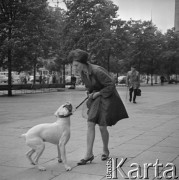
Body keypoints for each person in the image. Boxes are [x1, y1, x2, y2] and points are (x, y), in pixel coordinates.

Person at [68, 49, 128, 165]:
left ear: (83, 63)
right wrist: (89, 92)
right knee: (90, 123)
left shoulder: (97, 71)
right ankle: (89, 154)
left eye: (76, 65)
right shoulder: (82, 72)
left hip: (107, 98)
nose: (74, 68)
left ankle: (105, 149)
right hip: (96, 98)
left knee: (102, 126)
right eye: (73, 65)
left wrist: (98, 93)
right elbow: (89, 86)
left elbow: (111, 85)